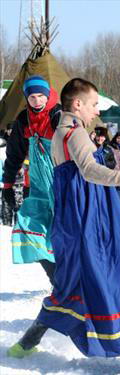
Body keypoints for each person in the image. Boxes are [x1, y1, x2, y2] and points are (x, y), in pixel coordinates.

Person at [7, 78, 120, 375]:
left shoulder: (62, 131)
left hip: (79, 226)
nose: (96, 111)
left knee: (69, 291)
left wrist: (119, 203)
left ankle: (23, 345)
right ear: (77, 104)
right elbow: (88, 170)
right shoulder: (74, 132)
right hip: (95, 228)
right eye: (94, 104)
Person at [2, 75, 61, 284]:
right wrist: (7, 184)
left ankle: (73, 278)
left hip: (61, 183)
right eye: (32, 97)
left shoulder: (58, 114)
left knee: (64, 232)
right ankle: (56, 277)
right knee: (30, 226)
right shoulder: (23, 119)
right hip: (37, 186)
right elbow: (14, 154)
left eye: (40, 96)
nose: (37, 101)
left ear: (47, 95)